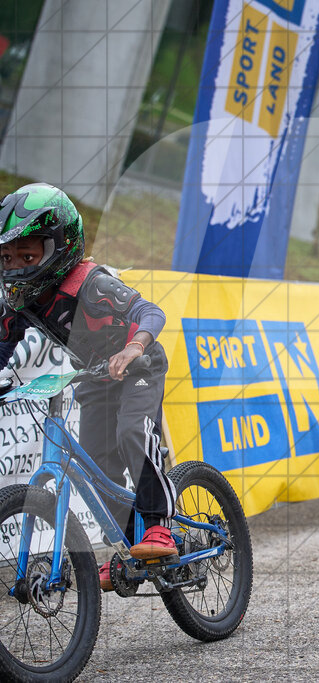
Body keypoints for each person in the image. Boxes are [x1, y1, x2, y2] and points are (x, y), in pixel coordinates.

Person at [0, 183, 178, 592]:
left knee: (133, 432)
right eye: (7, 256)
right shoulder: (22, 298)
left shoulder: (92, 285)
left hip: (139, 367)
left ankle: (158, 526)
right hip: (96, 379)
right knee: (99, 466)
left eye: (28, 255)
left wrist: (133, 348)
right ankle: (131, 545)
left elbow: (150, 311)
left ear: (60, 247)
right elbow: (4, 343)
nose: (16, 266)